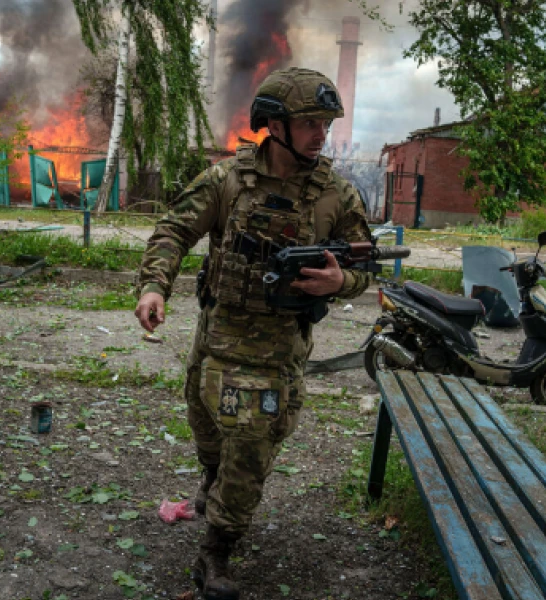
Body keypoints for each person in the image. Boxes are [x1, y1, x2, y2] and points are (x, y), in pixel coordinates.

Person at [134, 67, 374, 600]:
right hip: (216, 334)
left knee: (250, 448)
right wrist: (154, 286)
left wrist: (341, 281)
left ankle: (216, 552)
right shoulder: (228, 179)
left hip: (276, 350)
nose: (321, 133)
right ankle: (210, 483)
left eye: (326, 123)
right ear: (274, 124)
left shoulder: (337, 195)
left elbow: (368, 266)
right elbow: (175, 228)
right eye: (310, 122)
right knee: (205, 425)